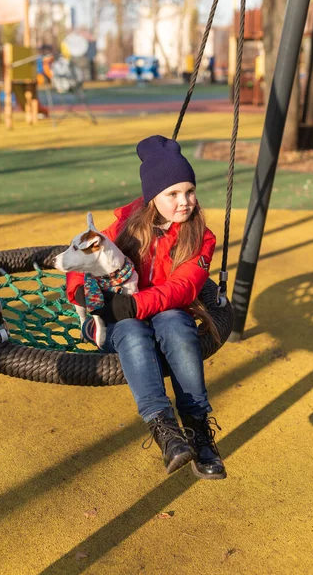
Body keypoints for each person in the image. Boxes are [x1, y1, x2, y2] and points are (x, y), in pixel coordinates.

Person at [66, 135, 226, 480]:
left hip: (160, 311)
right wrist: (83, 293)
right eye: (173, 194)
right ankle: (165, 430)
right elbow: (85, 256)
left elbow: (182, 287)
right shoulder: (125, 225)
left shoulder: (202, 237)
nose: (185, 202)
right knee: (133, 331)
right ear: (153, 197)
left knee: (175, 323)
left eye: (189, 191)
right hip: (115, 322)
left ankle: (197, 428)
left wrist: (133, 303)